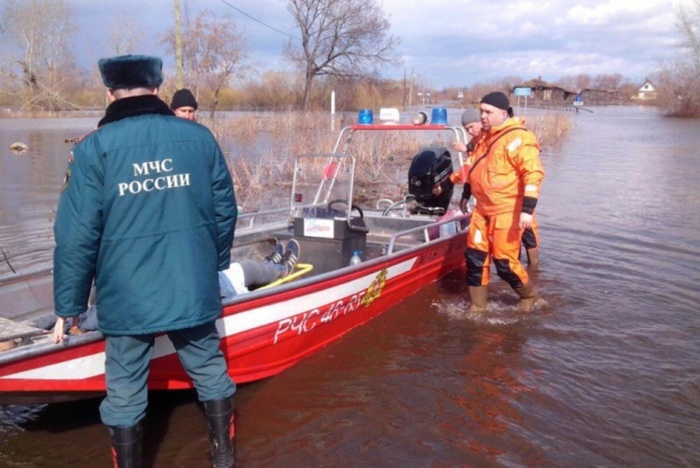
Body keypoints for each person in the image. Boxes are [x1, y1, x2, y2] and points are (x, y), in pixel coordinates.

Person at [51, 55, 237, 468]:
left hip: (126, 293)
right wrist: (213, 264)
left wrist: (70, 306)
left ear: (108, 93)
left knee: (124, 392)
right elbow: (225, 211)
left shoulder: (92, 150)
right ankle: (224, 458)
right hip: (191, 282)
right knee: (209, 370)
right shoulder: (199, 138)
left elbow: (75, 236)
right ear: (156, 90)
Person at [72, 239, 302, 334]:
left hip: (193, 284)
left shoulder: (119, 285)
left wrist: (68, 319)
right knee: (246, 269)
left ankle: (273, 265)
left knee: (245, 269)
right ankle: (280, 269)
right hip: (203, 288)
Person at [454, 92, 545, 312]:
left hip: (507, 209)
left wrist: (527, 210)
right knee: (475, 258)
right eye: (481, 111)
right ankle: (478, 307)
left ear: (503, 113)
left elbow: (533, 174)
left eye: (488, 112)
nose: (483, 116)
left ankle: (530, 296)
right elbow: (475, 168)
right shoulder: (484, 138)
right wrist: (466, 194)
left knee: (504, 262)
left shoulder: (519, 139)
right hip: (482, 209)